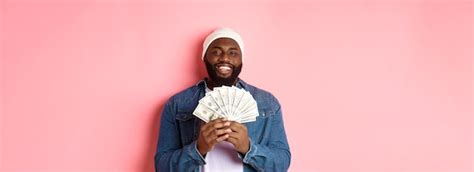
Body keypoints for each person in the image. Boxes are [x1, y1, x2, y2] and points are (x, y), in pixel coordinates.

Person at [154, 28, 291, 172]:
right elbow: (162, 167)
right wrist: (198, 149)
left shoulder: (267, 103)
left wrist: (248, 148)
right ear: (205, 58)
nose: (225, 58)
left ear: (241, 60)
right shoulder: (177, 104)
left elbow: (282, 163)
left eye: (233, 53)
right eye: (216, 52)